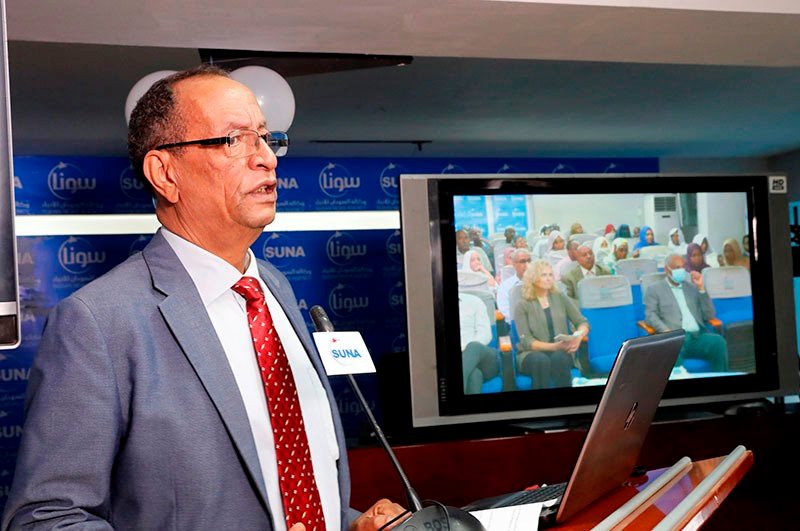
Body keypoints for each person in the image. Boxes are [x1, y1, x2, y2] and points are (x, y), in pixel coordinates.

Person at [2, 66, 405, 531]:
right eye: (235, 140)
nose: (267, 159)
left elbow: (287, 492)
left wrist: (349, 524)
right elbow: (46, 517)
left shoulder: (275, 286)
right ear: (165, 173)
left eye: (267, 139)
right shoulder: (97, 322)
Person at [643, 253, 728, 372]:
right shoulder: (654, 289)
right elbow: (650, 315)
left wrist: (701, 288)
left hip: (697, 337)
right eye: (677, 267)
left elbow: (709, 315)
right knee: (671, 354)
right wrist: (665, 330)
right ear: (667, 269)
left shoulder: (692, 288)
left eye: (683, 267)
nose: (681, 270)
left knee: (718, 343)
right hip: (675, 339)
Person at [514, 260, 589, 389]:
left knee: (559, 358)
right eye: (544, 275)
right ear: (533, 278)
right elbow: (527, 341)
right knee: (541, 361)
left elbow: (582, 322)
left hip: (561, 351)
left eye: (550, 275)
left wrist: (578, 337)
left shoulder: (560, 297)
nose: (549, 279)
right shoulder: (522, 305)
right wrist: (554, 347)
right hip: (531, 353)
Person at [459, 292, 501, 394]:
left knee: (473, 346)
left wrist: (465, 348)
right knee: (475, 375)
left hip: (482, 357)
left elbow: (485, 334)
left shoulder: (474, 301)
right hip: (468, 366)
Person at [496, 248, 532, 320]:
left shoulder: (539, 282)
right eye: (522, 261)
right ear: (514, 264)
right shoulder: (505, 286)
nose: (527, 265)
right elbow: (505, 311)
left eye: (529, 261)